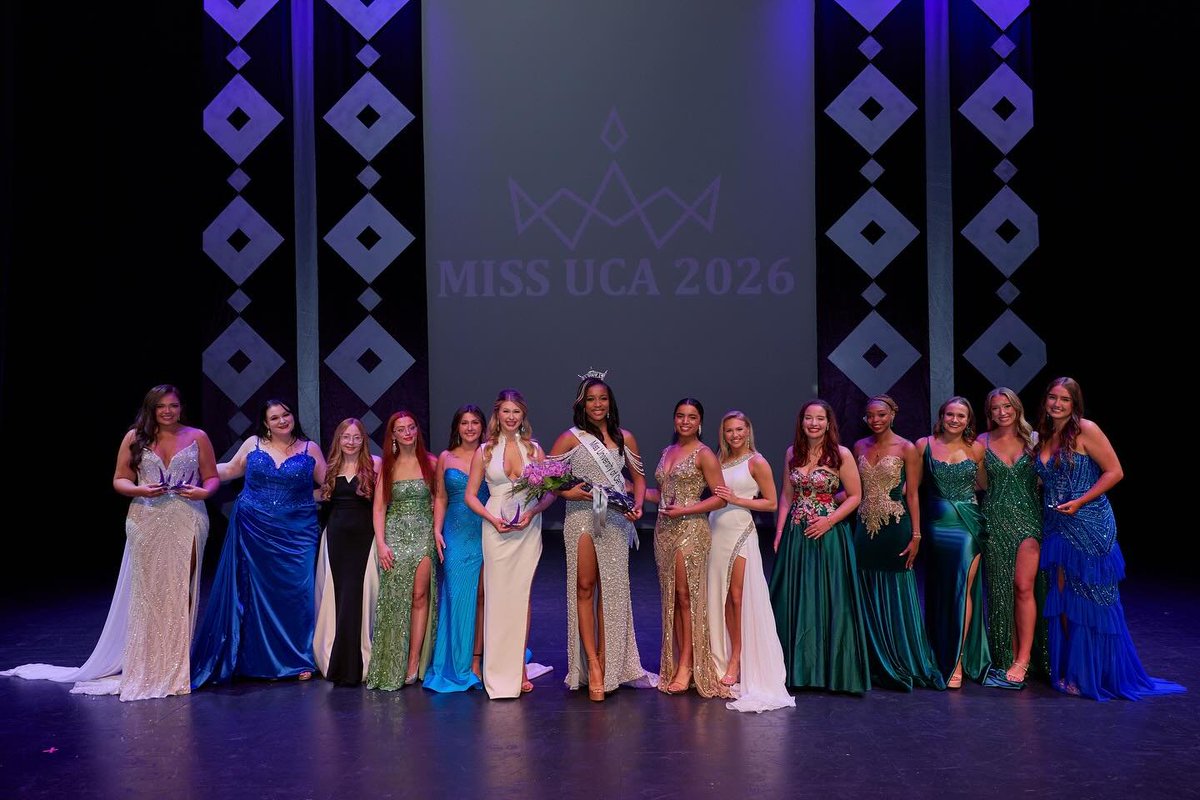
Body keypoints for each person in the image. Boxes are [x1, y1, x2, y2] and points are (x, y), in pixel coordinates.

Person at [3, 385, 218, 700]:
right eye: (161, 407)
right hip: (146, 518)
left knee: (180, 590)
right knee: (149, 595)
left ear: (180, 407)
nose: (168, 411)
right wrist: (140, 490)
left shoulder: (197, 436)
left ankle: (175, 666)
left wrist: (204, 491)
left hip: (188, 518)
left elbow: (211, 476)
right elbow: (119, 479)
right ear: (151, 409)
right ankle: (148, 665)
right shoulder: (135, 437)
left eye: (173, 405)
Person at [1034, 377, 1184, 700]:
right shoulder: (1044, 434)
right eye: (1052, 397)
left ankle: (1097, 674)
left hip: (1088, 523)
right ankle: (1073, 670)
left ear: (1075, 404)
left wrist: (1081, 501)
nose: (1057, 404)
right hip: (1056, 527)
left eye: (1065, 399)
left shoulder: (1086, 429)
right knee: (1064, 598)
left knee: (1092, 600)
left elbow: (1115, 471)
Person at [190, 399, 325, 686]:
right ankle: (251, 660)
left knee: (297, 594)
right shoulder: (253, 444)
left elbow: (327, 487)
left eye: (286, 414)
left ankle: (298, 658)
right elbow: (230, 470)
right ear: (265, 423)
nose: (282, 421)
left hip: (297, 533)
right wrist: (196, 467)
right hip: (254, 529)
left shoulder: (309, 448)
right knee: (252, 594)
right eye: (275, 417)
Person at [548, 375, 655, 702]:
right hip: (582, 513)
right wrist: (570, 492)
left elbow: (638, 479)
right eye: (591, 399)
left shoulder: (626, 438)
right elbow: (546, 481)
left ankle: (610, 664)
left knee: (613, 589)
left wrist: (637, 505)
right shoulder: (570, 439)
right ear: (582, 403)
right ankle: (591, 665)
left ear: (610, 402)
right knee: (584, 586)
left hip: (616, 518)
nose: (597, 404)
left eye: (603, 398)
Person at [769, 400, 870, 694]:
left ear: (829, 423)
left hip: (828, 535)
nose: (814, 423)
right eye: (808, 418)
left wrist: (829, 522)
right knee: (795, 596)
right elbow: (787, 497)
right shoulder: (792, 452)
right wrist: (778, 532)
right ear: (801, 422)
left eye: (820, 419)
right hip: (797, 534)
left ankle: (832, 672)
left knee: (830, 597)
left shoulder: (841, 454)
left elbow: (854, 495)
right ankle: (795, 670)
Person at [464, 389, 557, 699]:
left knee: (522, 596)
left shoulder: (534, 450)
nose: (511, 416)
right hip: (497, 528)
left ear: (523, 415)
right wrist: (491, 520)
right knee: (497, 596)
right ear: (498, 415)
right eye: (506, 411)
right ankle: (494, 668)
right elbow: (470, 495)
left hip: (527, 528)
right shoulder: (485, 451)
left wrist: (532, 512)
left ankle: (517, 667)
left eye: (516, 411)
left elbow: (549, 493)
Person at [851, 395, 944, 691]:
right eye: (870, 416)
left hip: (896, 525)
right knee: (863, 587)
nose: (875, 420)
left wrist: (916, 535)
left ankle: (901, 657)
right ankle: (872, 659)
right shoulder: (859, 447)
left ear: (893, 413)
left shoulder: (907, 448)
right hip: (864, 529)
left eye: (881, 414)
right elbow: (855, 491)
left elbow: (914, 494)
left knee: (896, 589)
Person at [707, 410, 794, 712]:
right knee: (719, 598)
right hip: (715, 530)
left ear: (748, 430)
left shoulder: (757, 462)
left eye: (739, 429)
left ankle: (738, 659)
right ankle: (722, 655)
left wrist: (737, 499)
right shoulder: (718, 460)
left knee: (737, 597)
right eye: (729, 430)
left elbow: (771, 502)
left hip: (741, 530)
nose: (734, 435)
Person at [650, 398, 729, 697]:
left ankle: (687, 666)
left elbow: (720, 497)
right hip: (663, 531)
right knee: (670, 598)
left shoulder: (704, 454)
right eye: (680, 416)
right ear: (674, 419)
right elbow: (663, 495)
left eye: (692, 417)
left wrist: (685, 510)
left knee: (685, 597)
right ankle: (680, 661)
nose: (685, 421)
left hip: (691, 530)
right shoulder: (667, 451)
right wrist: (632, 491)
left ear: (700, 422)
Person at [915, 396, 990, 688]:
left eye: (961, 415)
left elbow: (983, 484)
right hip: (935, 527)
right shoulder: (924, 445)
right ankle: (937, 652)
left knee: (963, 590)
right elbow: (912, 488)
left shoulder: (977, 448)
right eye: (950, 414)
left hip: (968, 527)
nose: (955, 420)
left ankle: (957, 659)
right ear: (941, 416)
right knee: (939, 591)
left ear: (968, 420)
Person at [978, 387, 1048, 685]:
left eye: (1007, 406)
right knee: (1000, 591)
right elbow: (979, 484)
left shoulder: (1034, 440)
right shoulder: (981, 441)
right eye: (996, 408)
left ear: (1016, 408)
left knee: (1023, 587)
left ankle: (1025, 657)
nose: (1002, 412)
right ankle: (1006, 657)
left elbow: (1051, 478)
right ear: (989, 412)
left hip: (1029, 520)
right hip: (993, 520)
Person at [366, 411, 439, 690]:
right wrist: (382, 543)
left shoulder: (430, 463)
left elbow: (437, 502)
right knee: (395, 601)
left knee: (420, 596)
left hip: (423, 536)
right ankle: (390, 662)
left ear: (417, 430)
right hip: (395, 537)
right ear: (393, 435)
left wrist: (436, 531)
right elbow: (379, 508)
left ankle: (412, 663)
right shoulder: (388, 466)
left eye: (411, 427)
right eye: (401, 429)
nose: (407, 432)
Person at [424, 405, 489, 693]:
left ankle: (477, 659)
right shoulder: (445, 457)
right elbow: (440, 496)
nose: (470, 428)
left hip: (486, 531)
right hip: (455, 532)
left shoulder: (490, 454)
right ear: (457, 427)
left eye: (475, 422)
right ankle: (456, 663)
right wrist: (437, 530)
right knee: (457, 594)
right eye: (465, 423)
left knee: (482, 596)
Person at [313, 418, 380, 686]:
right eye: (346, 437)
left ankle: (362, 661)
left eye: (356, 437)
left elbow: (383, 503)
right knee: (337, 596)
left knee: (360, 597)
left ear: (363, 440)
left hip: (365, 539)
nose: (351, 442)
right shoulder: (329, 468)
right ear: (338, 439)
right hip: (336, 538)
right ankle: (335, 660)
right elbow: (321, 497)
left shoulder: (375, 464)